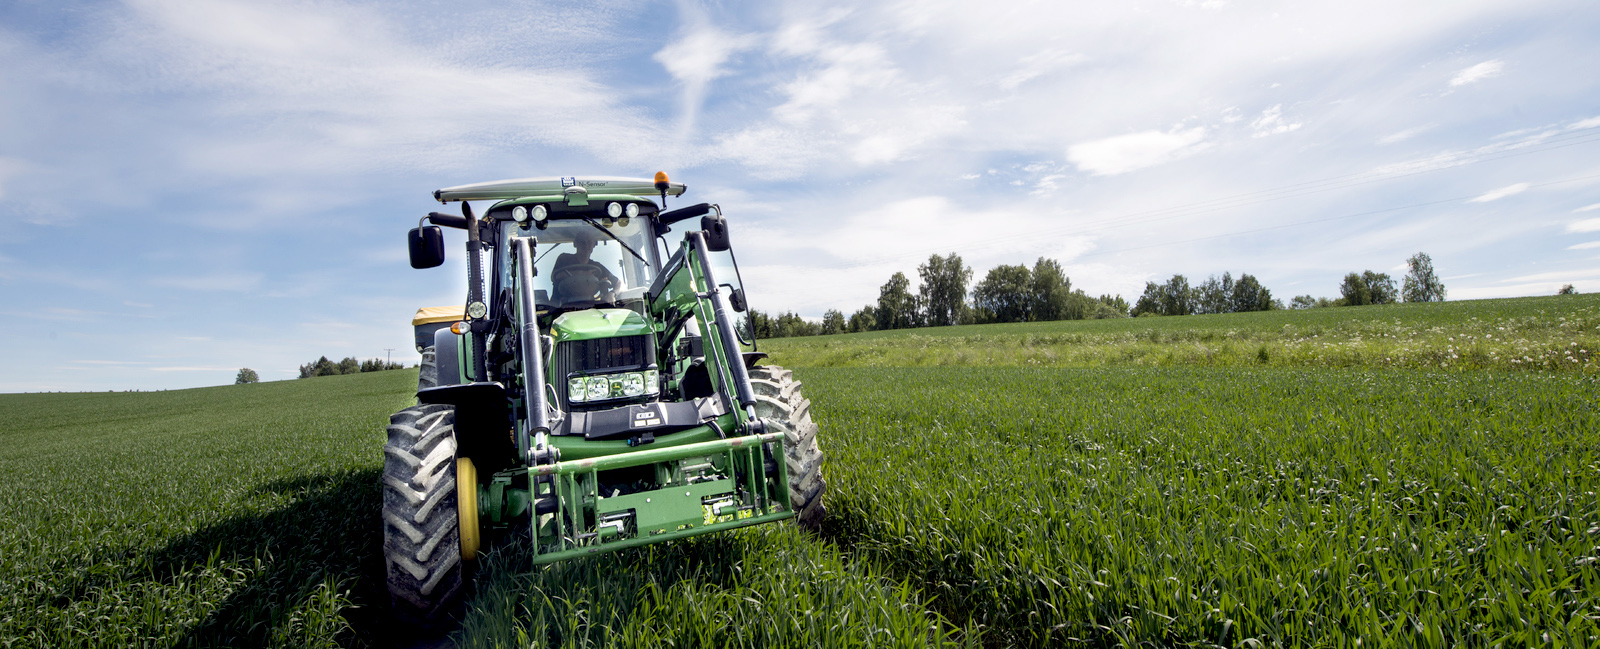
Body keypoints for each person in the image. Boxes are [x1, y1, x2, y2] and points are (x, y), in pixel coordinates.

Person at [551, 228, 618, 303]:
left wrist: (612, 293)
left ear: (594, 245)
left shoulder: (597, 266)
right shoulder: (564, 258)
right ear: (575, 244)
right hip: (560, 307)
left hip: (590, 308)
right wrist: (583, 274)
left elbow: (619, 283)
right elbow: (555, 276)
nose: (586, 245)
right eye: (582, 242)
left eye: (589, 242)